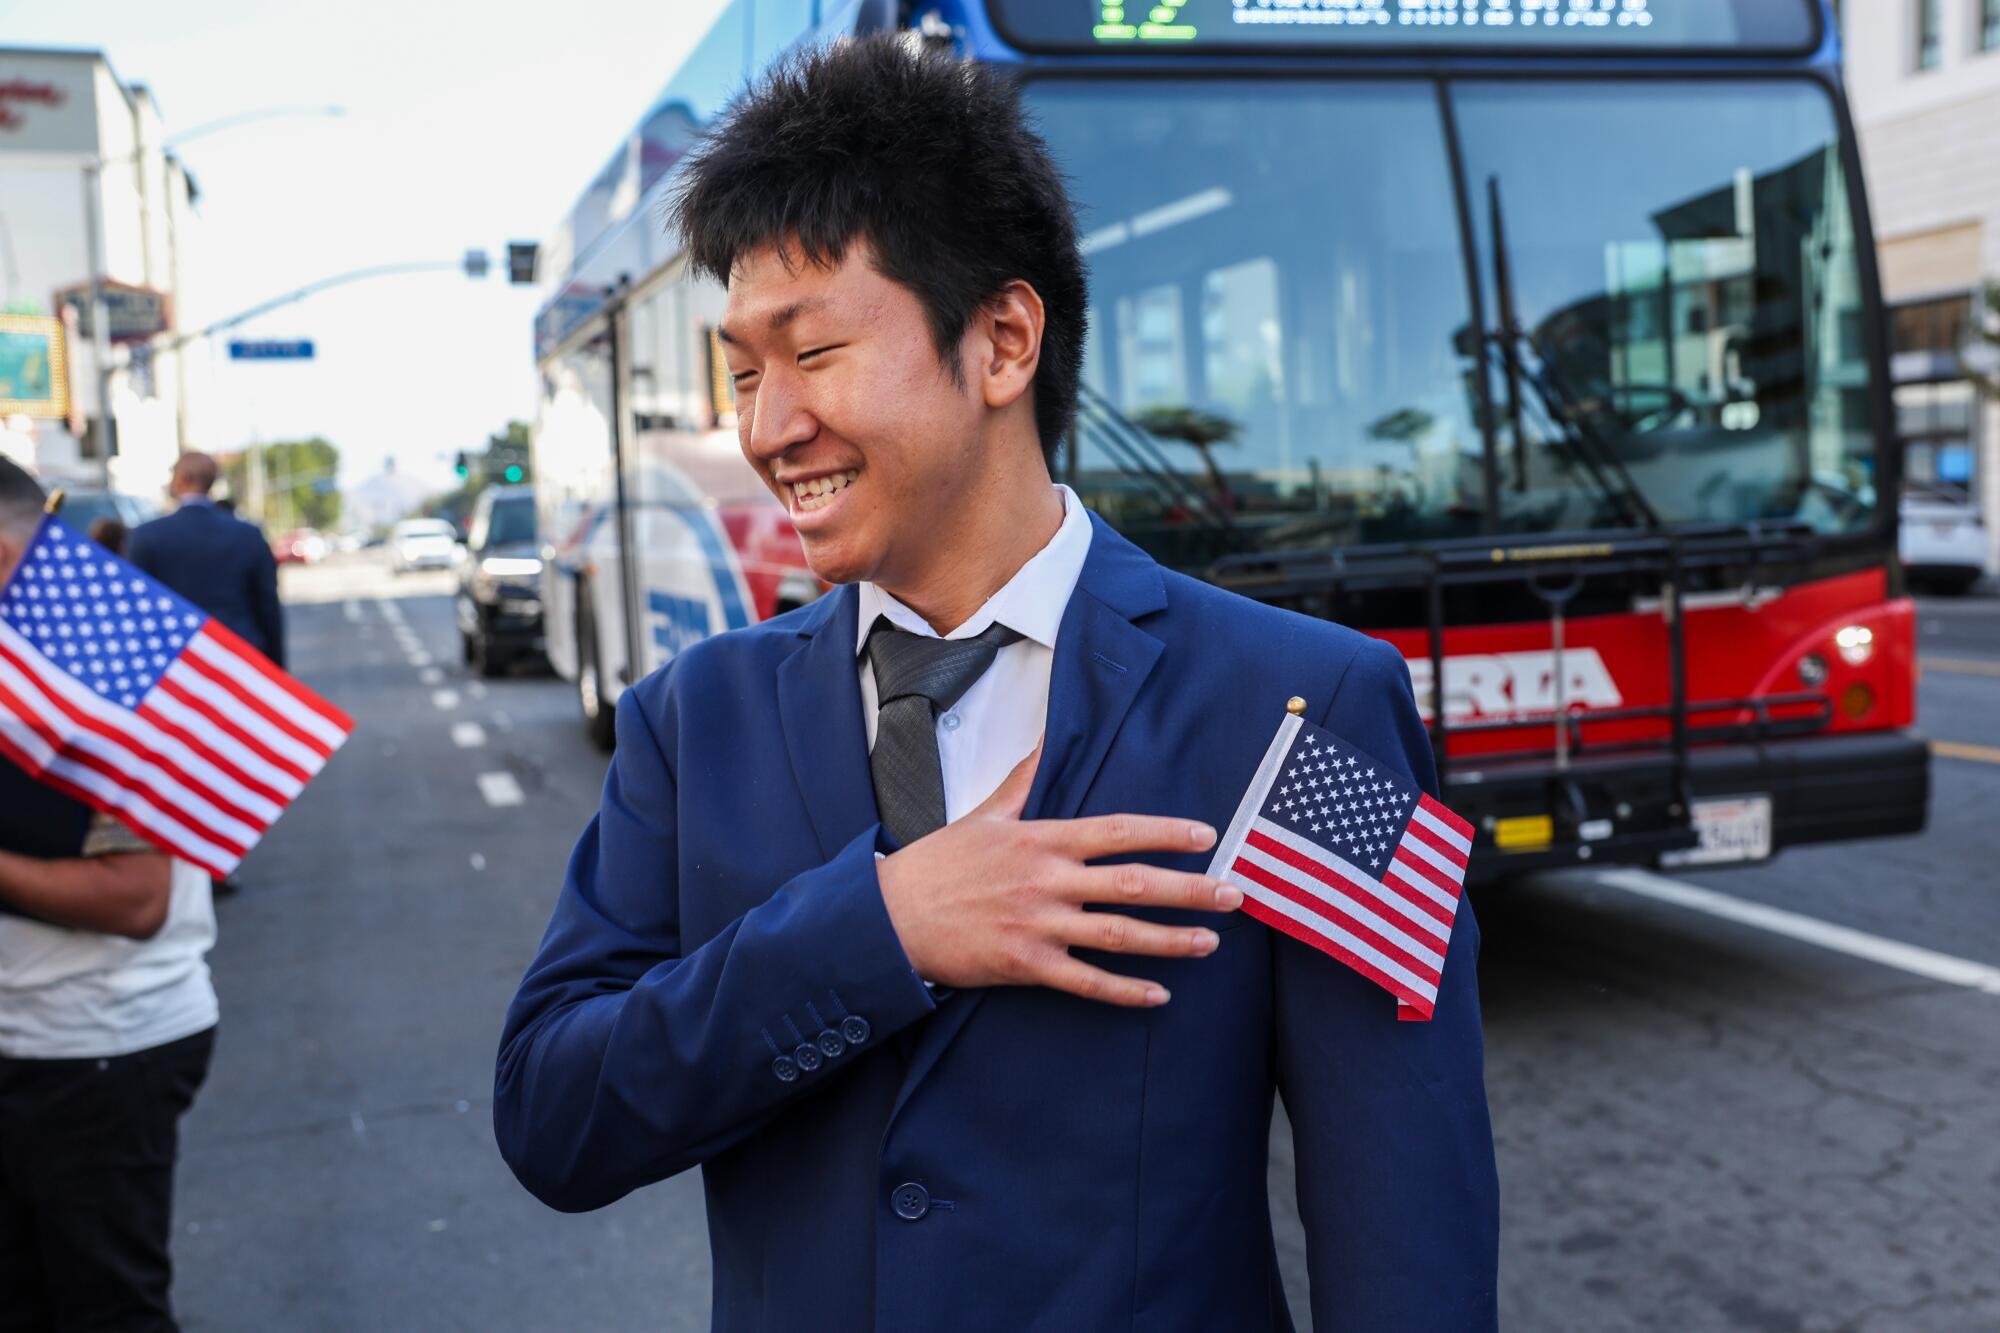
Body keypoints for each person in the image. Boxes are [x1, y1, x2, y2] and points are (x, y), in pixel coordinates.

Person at [495, 37, 1496, 1332]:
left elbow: (1405, 1220)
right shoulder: (694, 722)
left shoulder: (1303, 706)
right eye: (744, 371)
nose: (764, 425)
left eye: (813, 354)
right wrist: (881, 930)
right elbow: (556, 1115)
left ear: (1004, 341)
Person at [0, 457, 219, 1331]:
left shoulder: (102, 656)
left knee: (104, 1311)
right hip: (34, 1038)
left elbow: (138, 897)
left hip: (93, 1048)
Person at [127, 452, 285, 668]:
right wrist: (276, 669)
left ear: (185, 478)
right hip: (241, 657)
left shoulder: (147, 537)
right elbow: (267, 607)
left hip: (177, 663)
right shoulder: (248, 535)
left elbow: (138, 610)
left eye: (173, 473)